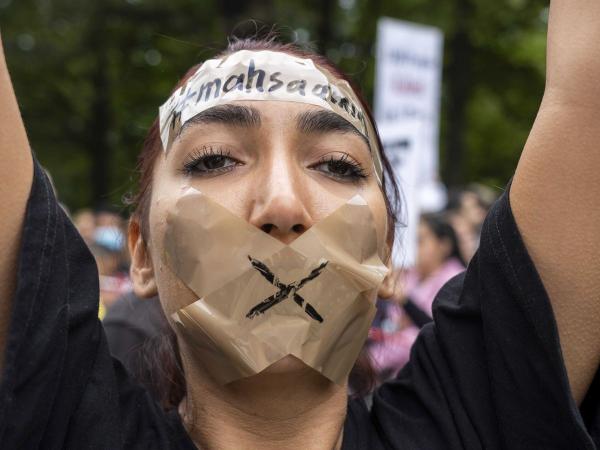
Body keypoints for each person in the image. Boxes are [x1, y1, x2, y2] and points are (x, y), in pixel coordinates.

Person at [1, 2, 599, 447]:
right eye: (215, 159)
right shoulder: (57, 422)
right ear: (142, 255)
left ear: (389, 257)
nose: (283, 206)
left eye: (337, 166)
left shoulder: (476, 423)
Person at [367, 213, 466, 381]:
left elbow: (436, 328)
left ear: (444, 245)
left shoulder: (455, 278)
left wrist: (405, 302)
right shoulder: (411, 274)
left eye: (420, 241)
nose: (414, 248)